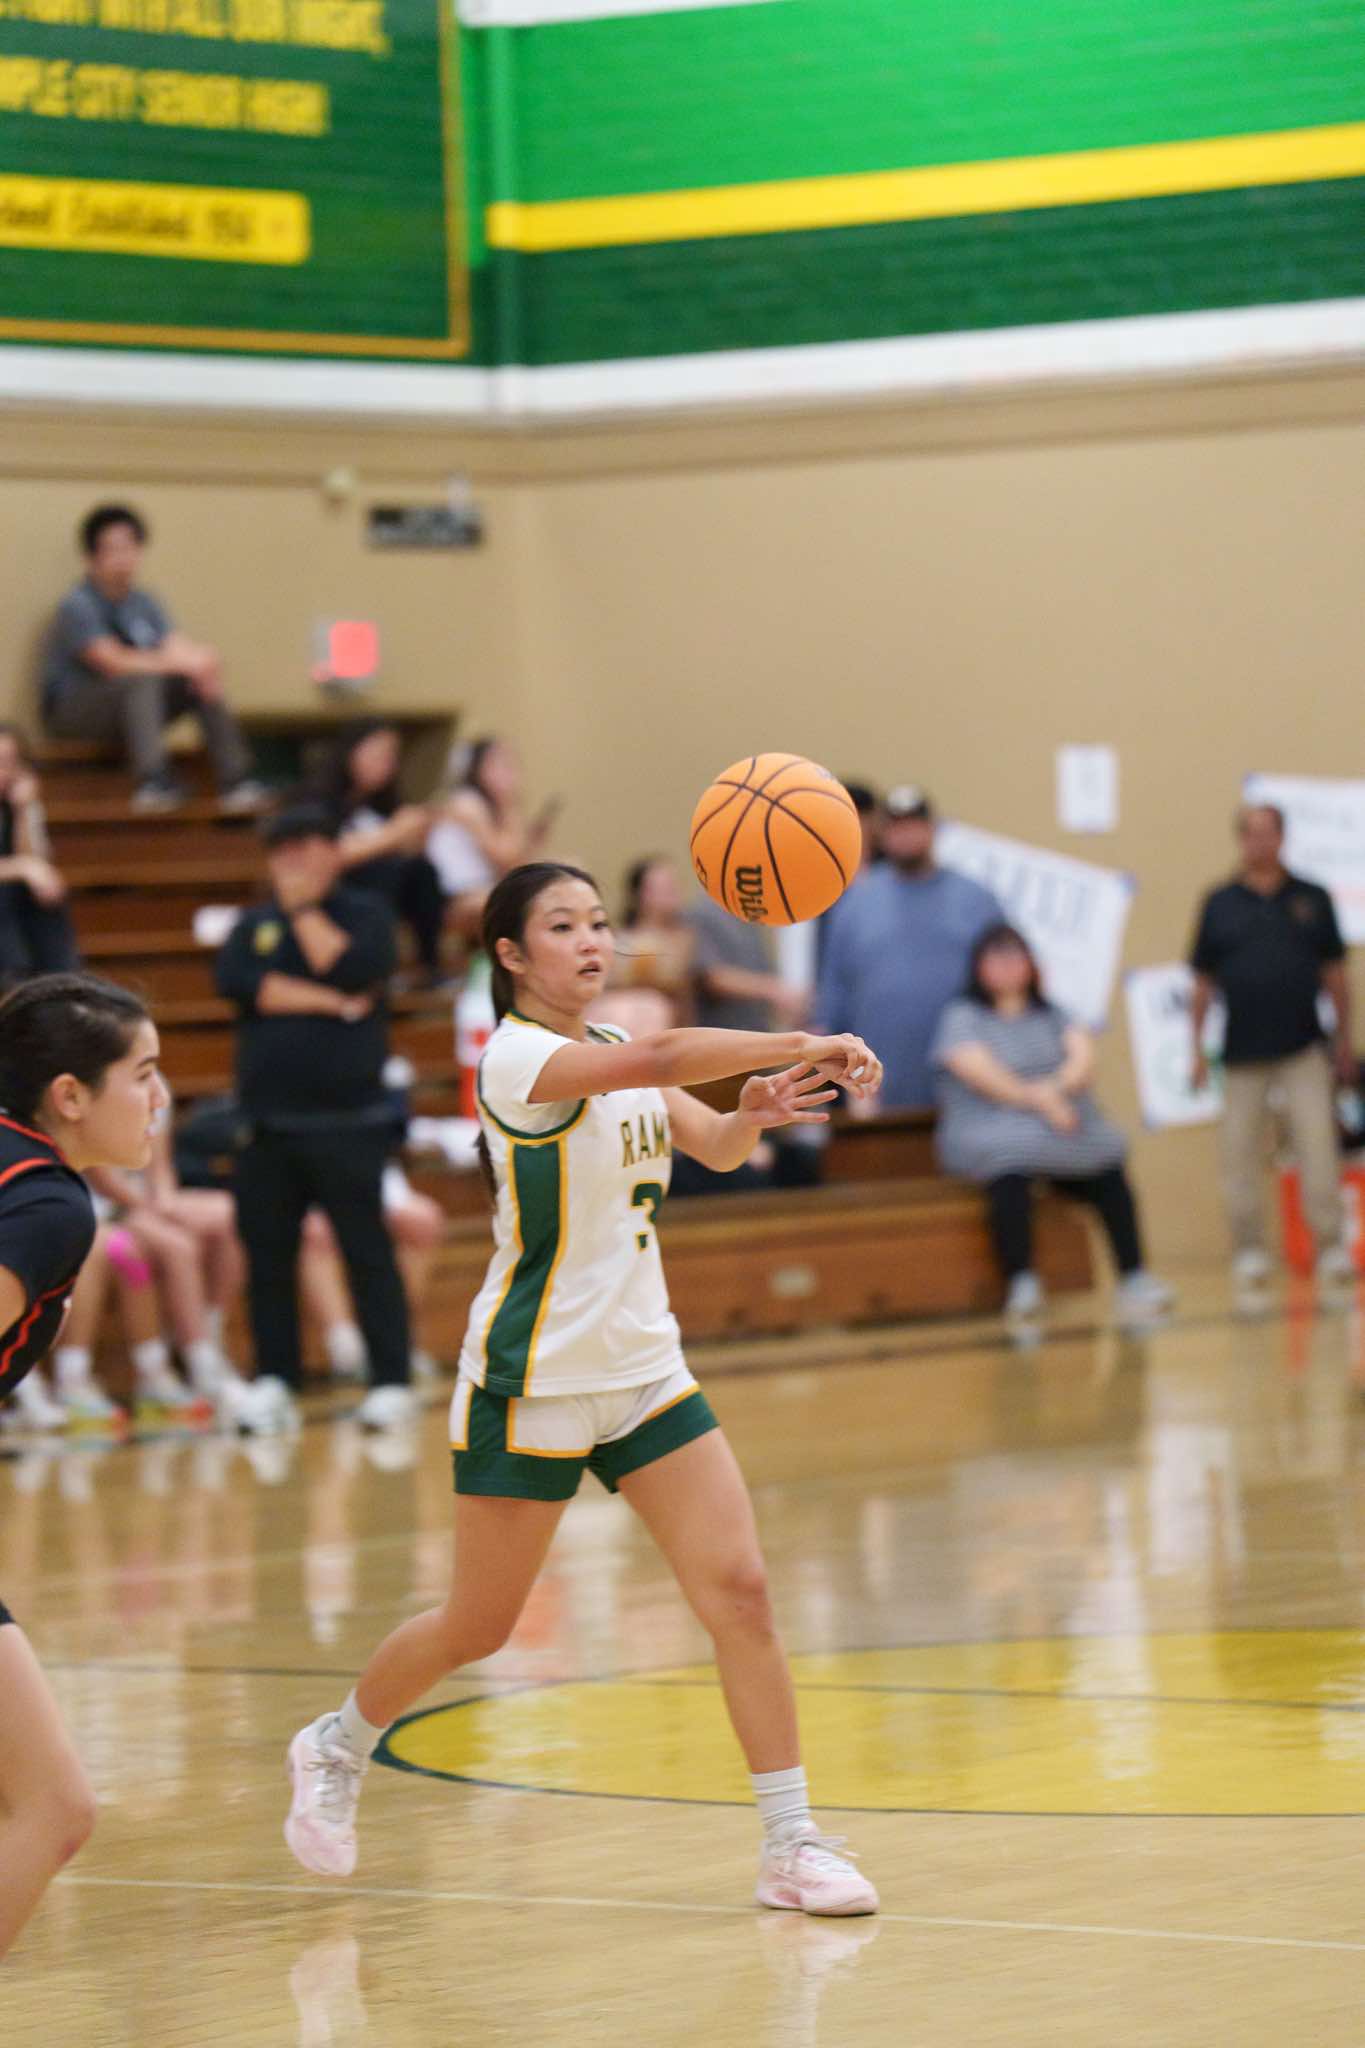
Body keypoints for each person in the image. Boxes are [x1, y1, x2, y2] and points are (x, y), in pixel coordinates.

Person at [283, 861, 884, 1917]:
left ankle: (790, 1842)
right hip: (536, 1378)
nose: (593, 941)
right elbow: (663, 1053)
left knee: (742, 1593)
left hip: (646, 1371)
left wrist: (751, 1112)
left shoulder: (611, 1050)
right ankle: (337, 1741)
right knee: (478, 1624)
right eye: (564, 926)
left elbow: (714, 1145)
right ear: (511, 954)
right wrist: (801, 1039)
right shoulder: (519, 1059)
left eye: (600, 923)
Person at [0, 972, 167, 1957]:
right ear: (70, 1094)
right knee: (55, 1805)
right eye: (141, 1074)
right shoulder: (49, 1204)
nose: (159, 1096)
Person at [216, 805, 414, 1436]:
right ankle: (276, 1379)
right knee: (267, 1257)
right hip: (267, 1123)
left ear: (334, 851)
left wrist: (303, 915)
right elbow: (247, 987)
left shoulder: (368, 915)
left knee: (367, 1252)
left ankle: (391, 1380)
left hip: (349, 1121)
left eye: (304, 849)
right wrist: (333, 1003)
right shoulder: (252, 923)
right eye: (282, 852)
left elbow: (350, 968)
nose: (292, 864)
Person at [932, 926, 1172, 1324]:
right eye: (996, 958)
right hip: (992, 1124)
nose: (1007, 966)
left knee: (1107, 1161)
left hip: (1059, 1126)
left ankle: (1134, 1276)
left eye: (1015, 957)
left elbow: (1082, 1062)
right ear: (978, 968)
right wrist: (1044, 1101)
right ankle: (1022, 1283)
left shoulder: (1054, 1014)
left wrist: (1054, 1092)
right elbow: (980, 1073)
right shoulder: (963, 1017)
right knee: (1009, 1163)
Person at [1190, 803, 1355, 1292]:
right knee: (1238, 1154)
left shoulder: (1312, 898)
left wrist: (1344, 1042)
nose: (1260, 841)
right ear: (1240, 839)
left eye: (1269, 832)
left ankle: (1330, 1247)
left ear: (1283, 838)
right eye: (1251, 833)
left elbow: (1336, 975)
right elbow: (1201, 983)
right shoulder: (1219, 902)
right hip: (1241, 1053)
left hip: (1304, 1048)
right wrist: (1195, 1050)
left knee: (1318, 1147)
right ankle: (1249, 1251)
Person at [40, 504, 263, 814]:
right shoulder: (77, 605)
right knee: (142, 680)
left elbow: (178, 649)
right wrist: (182, 662)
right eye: (112, 549)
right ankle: (153, 782)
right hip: (75, 712)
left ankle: (236, 781)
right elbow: (112, 662)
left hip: (131, 707)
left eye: (129, 547)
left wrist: (202, 662)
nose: (123, 558)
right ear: (91, 557)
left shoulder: (144, 602)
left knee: (196, 679)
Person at [816, 785, 1005, 1111]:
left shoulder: (975, 899)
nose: (905, 835)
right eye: (896, 827)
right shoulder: (855, 902)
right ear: (883, 834)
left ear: (933, 829)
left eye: (914, 825)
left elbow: (1008, 984)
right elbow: (834, 989)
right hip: (877, 1080)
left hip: (966, 1081)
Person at [315, 719, 449, 986]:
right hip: (338, 890)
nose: (386, 763)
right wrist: (395, 833)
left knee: (422, 872)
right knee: (383, 876)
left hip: (389, 890)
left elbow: (409, 852)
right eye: (378, 753)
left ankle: (429, 967)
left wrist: (420, 832)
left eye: (391, 756)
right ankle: (374, 974)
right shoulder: (318, 801)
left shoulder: (387, 804)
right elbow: (328, 855)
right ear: (351, 752)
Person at [302, 1159, 446, 1385]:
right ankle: (345, 1345)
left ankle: (395, 1337)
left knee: (422, 1219)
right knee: (316, 1229)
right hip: (304, 1177)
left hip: (364, 1164)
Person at [427, 737, 559, 937]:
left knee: (563, 874)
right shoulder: (467, 803)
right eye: (500, 763)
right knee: (532, 900)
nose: (509, 772)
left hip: (483, 889)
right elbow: (507, 861)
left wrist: (531, 843)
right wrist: (510, 804)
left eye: (511, 764)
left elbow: (516, 864)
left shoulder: (492, 807)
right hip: (455, 898)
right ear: (477, 768)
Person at [0, 725, 79, 984]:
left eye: (10, 763)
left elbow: (38, 865)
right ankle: (15, 980)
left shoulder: (17, 805)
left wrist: (23, 812)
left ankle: (60, 982)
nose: (4, 772)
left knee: (43, 896)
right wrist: (23, 867)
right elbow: (28, 865)